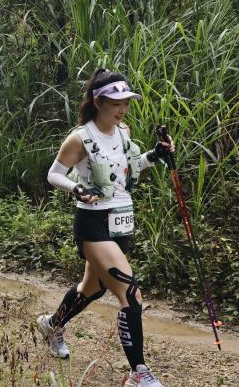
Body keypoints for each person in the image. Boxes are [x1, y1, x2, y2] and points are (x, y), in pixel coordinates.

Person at [38, 68, 174, 387]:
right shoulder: (80, 137)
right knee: (131, 295)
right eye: (115, 103)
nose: (122, 109)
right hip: (93, 223)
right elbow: (54, 174)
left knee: (93, 288)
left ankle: (52, 324)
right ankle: (138, 372)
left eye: (126, 103)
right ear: (98, 102)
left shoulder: (123, 131)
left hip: (121, 222)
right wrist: (76, 188)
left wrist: (156, 154)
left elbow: (130, 167)